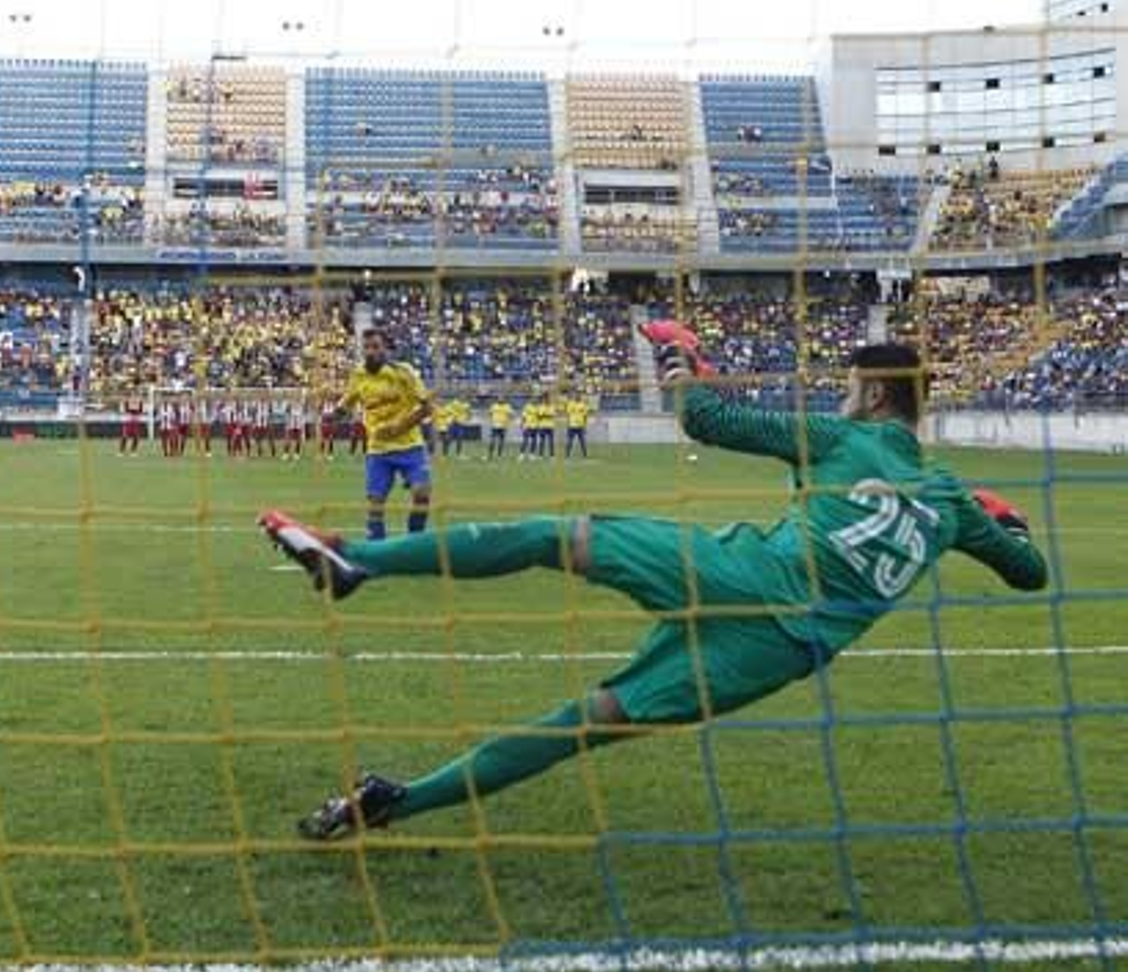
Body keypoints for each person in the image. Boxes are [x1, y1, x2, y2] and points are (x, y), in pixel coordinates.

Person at [259, 328, 1047, 840]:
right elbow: (1028, 572)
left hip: (742, 572)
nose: (843, 397)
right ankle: (397, 800)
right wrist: (1003, 519)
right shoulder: (948, 499)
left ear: (873, 395)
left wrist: (685, 360)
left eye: (848, 386)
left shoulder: (843, 435)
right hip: (778, 653)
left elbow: (709, 421)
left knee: (553, 537)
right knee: (580, 724)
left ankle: (360, 561)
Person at [335, 328, 434, 540]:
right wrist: (335, 414)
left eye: (375, 347)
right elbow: (346, 403)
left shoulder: (403, 372)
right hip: (378, 450)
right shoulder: (358, 375)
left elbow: (427, 407)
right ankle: (377, 547)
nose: (370, 352)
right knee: (375, 504)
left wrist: (400, 427)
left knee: (422, 495)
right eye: (366, 347)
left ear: (386, 348)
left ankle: (414, 541)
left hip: (410, 446)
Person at [564, 394, 590, 458]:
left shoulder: (583, 405)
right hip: (572, 425)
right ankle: (567, 454)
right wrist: (568, 424)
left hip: (580, 425)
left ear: (580, 397)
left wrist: (585, 425)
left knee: (582, 441)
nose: (577, 397)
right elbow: (568, 414)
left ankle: (584, 454)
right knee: (570, 440)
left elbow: (585, 416)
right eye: (576, 396)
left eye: (578, 396)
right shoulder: (570, 404)